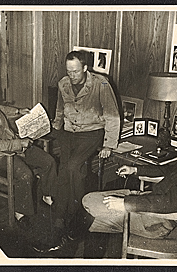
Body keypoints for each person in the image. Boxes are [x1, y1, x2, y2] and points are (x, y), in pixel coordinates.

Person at [82, 119, 177, 239]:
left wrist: (126, 203)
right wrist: (135, 169)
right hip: (151, 202)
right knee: (89, 202)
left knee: (90, 209)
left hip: (159, 220)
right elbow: (167, 170)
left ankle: (79, 248)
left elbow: (170, 202)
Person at [0, 83, 58, 224]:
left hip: (15, 148)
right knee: (25, 174)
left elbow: (2, 108)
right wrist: (19, 143)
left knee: (49, 161)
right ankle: (20, 212)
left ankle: (46, 195)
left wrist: (18, 111)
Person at [51, 50, 120, 231]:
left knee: (74, 166)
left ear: (85, 68)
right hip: (68, 132)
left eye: (75, 71)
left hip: (92, 132)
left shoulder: (101, 84)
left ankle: (79, 213)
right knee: (64, 169)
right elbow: (60, 108)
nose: (71, 76)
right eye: (69, 71)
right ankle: (59, 216)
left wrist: (109, 144)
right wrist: (55, 127)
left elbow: (112, 115)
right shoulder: (63, 84)